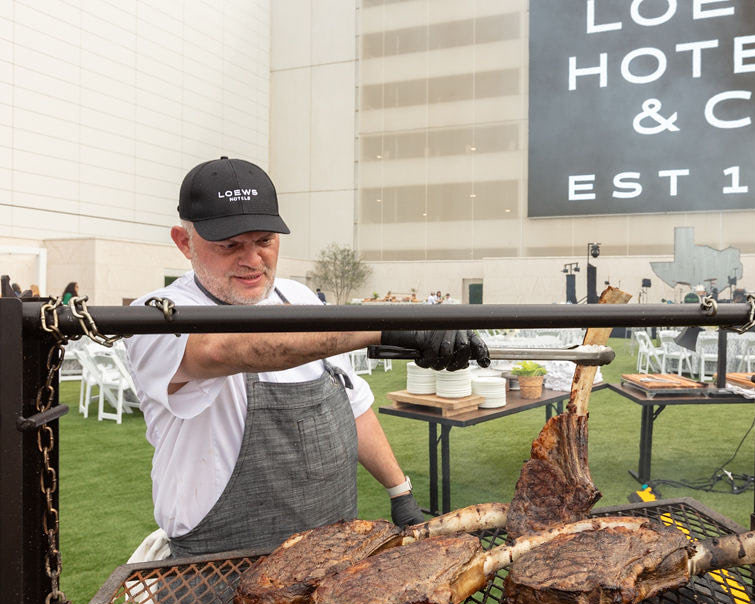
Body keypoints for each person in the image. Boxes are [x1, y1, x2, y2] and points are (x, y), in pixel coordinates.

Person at [124, 156, 490, 558]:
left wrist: (400, 492)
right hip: (218, 563)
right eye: (230, 245)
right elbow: (223, 348)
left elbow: (353, 403)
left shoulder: (298, 299)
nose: (251, 260)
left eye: (264, 241)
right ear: (183, 242)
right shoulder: (161, 313)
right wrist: (385, 325)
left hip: (335, 557)